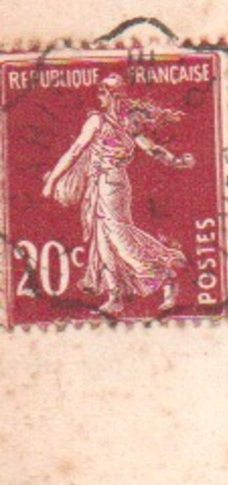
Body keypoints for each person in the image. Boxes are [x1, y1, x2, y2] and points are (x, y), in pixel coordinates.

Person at [42, 75, 193, 315]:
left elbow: (74, 152)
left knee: (119, 237)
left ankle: (165, 275)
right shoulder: (125, 123)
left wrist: (52, 180)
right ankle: (115, 296)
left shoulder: (100, 121)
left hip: (111, 186)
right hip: (108, 184)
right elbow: (152, 149)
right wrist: (175, 160)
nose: (99, 97)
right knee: (103, 239)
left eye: (102, 93)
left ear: (111, 95)